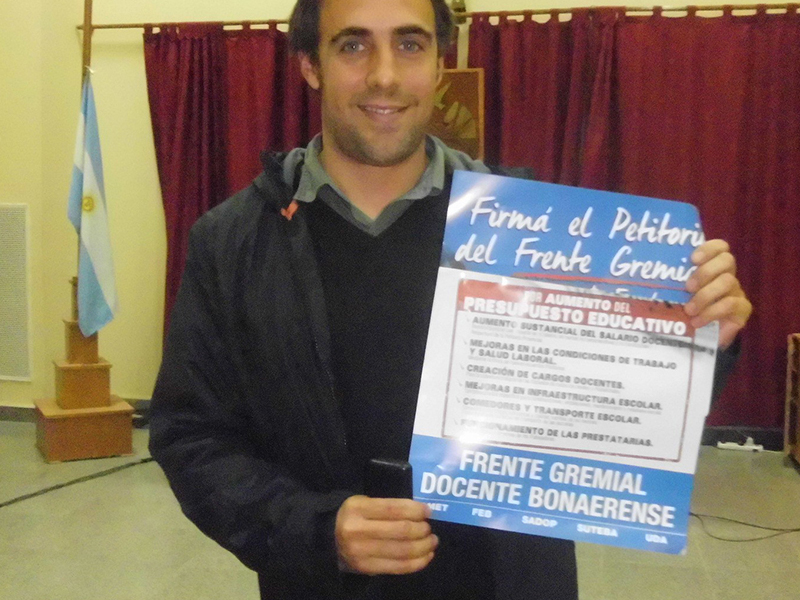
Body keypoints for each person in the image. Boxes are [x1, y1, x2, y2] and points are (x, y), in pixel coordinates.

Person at [148, 0, 753, 598]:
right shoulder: (231, 243)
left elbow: (616, 414)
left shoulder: (538, 235)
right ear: (310, 65)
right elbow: (191, 437)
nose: (384, 75)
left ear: (440, 63)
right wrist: (315, 530)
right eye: (353, 45)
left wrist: (699, 338)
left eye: (409, 44)